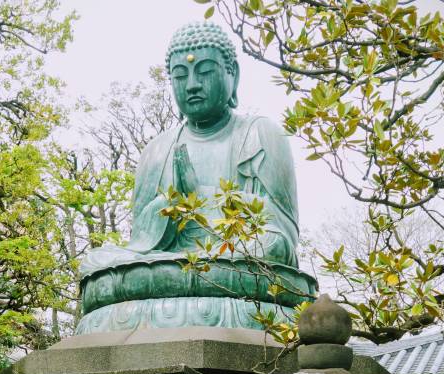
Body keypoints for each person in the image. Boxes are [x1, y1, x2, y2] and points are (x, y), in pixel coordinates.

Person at [79, 22, 300, 276]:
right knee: (96, 263)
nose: (192, 84)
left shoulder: (260, 134)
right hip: (170, 261)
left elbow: (283, 233)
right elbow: (141, 239)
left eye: (205, 71)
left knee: (271, 246)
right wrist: (172, 203)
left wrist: (200, 195)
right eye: (181, 75)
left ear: (233, 74)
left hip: (240, 257)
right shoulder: (157, 150)